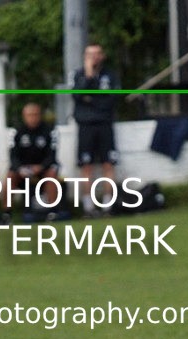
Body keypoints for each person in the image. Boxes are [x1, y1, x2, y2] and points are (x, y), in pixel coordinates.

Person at [72, 43, 120, 215]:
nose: (94, 57)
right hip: (86, 126)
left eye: (97, 53)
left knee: (109, 163)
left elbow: (111, 100)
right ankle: (88, 206)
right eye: (89, 54)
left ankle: (108, 204)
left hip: (105, 124)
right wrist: (89, 75)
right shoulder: (78, 75)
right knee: (86, 165)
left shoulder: (110, 76)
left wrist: (91, 100)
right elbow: (77, 96)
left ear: (103, 55)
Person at [1, 102, 59, 221]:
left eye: (35, 114)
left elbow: (52, 156)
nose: (32, 118)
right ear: (24, 116)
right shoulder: (16, 131)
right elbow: (13, 156)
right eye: (29, 115)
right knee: (10, 175)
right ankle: (6, 214)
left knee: (52, 173)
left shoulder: (50, 131)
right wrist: (19, 169)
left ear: (40, 115)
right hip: (23, 169)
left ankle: (52, 212)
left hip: (42, 168)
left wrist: (41, 167)